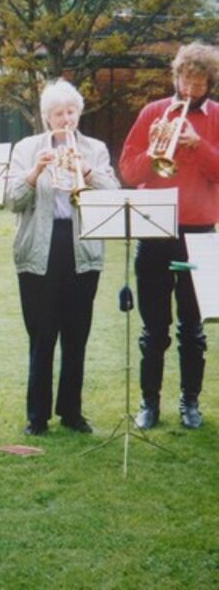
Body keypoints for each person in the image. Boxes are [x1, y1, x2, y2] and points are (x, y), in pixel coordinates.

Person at [5, 79, 119, 436]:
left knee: (76, 332)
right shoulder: (26, 148)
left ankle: (71, 411)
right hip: (40, 245)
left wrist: (86, 171)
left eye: (71, 112)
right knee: (41, 333)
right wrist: (35, 171)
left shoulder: (95, 149)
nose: (66, 119)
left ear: (78, 113)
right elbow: (12, 200)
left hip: (81, 245)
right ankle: (37, 416)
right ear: (46, 117)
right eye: (58, 113)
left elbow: (113, 193)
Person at [119, 42, 219, 430]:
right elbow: (129, 171)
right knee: (154, 327)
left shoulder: (216, 117)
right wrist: (156, 151)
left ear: (209, 83)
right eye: (184, 80)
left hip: (199, 231)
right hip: (155, 228)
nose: (190, 89)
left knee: (192, 327)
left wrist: (199, 146)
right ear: (175, 77)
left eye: (198, 83)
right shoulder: (152, 112)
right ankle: (150, 403)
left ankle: (189, 402)